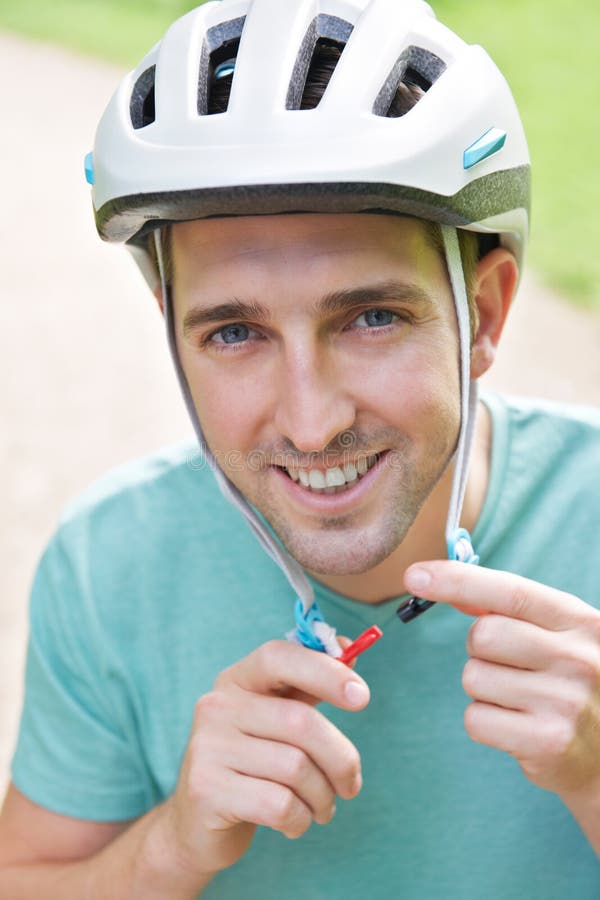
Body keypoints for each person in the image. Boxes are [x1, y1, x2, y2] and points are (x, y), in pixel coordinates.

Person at [1, 0, 599, 896]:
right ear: (173, 338)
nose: (312, 424)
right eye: (235, 333)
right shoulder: (110, 562)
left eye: (371, 317)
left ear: (483, 313)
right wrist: (172, 846)